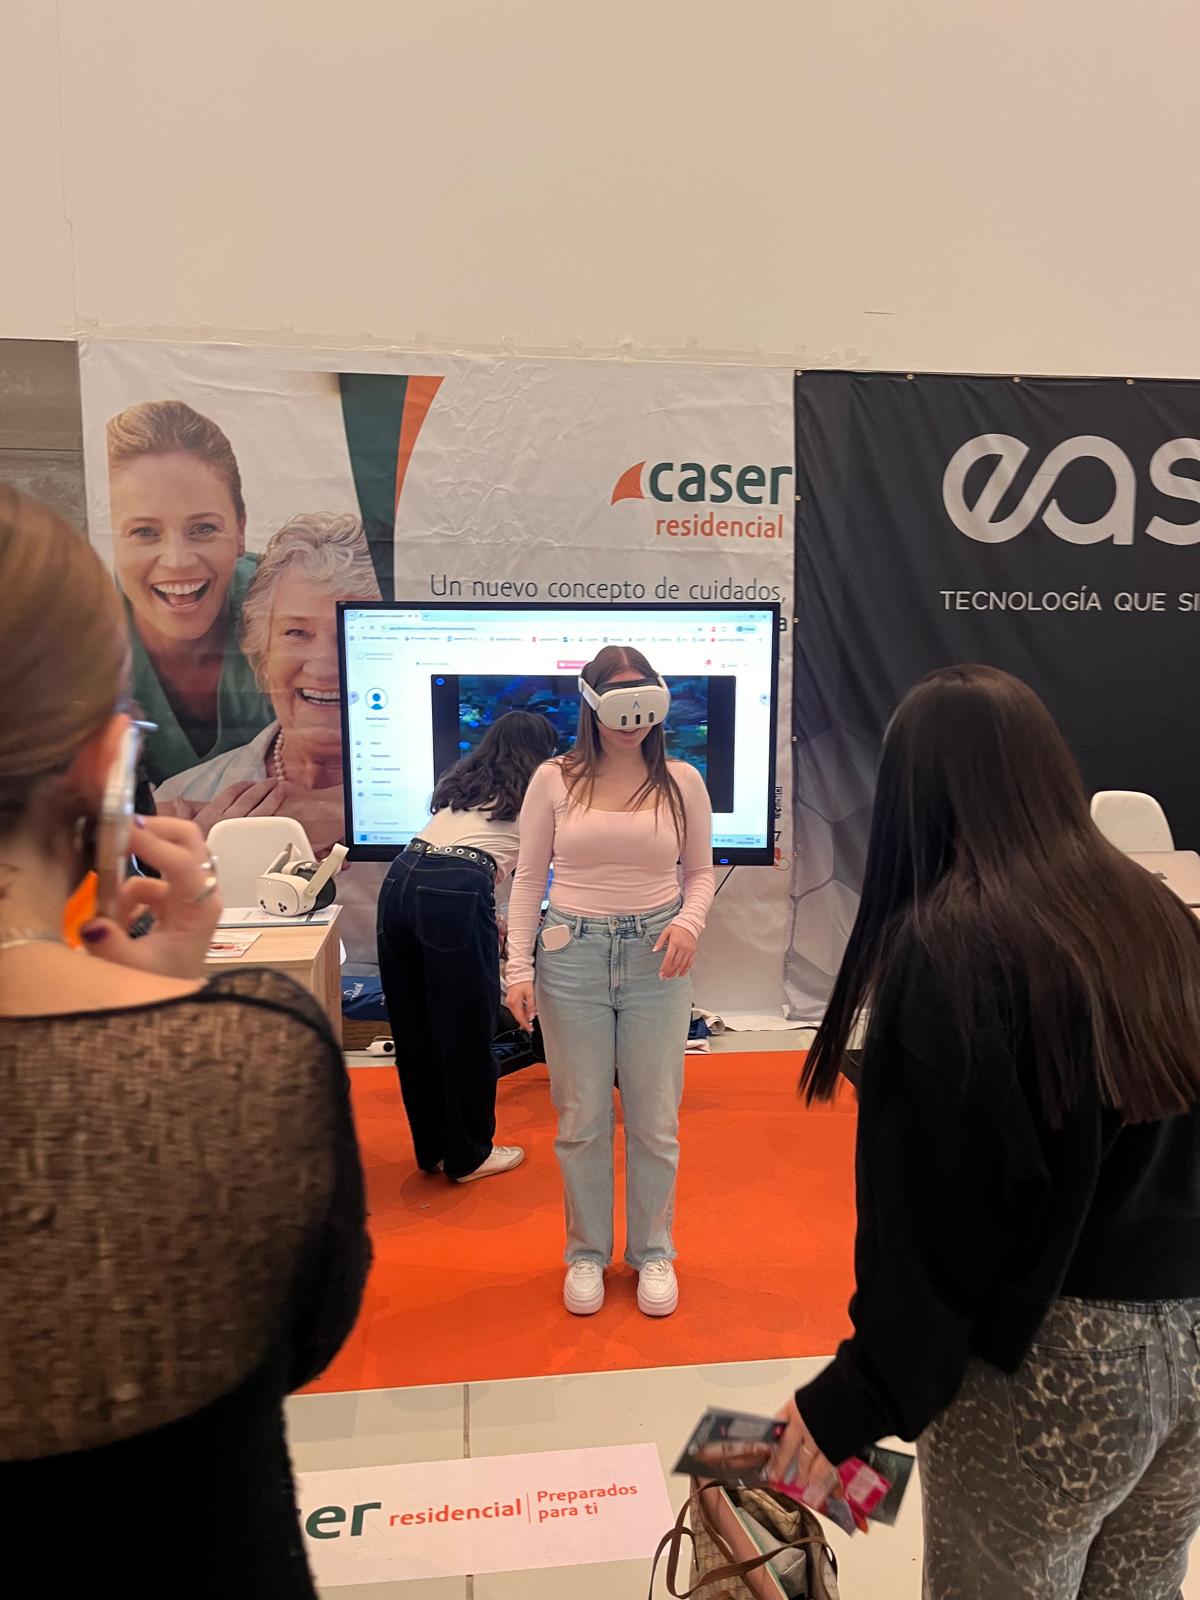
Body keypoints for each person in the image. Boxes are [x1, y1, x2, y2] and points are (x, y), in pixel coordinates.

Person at [0, 486, 368, 1597]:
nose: (322, 662)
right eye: (296, 631)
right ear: (104, 758)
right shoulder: (250, 1053)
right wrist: (173, 1016)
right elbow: (295, 1330)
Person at [769, 665, 1200, 1600]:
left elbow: (941, 1232)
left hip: (1053, 1362)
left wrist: (854, 1398)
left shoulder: (953, 946)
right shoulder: (1158, 913)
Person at [507, 647, 714, 1318]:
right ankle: (586, 1253)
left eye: (644, 704)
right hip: (571, 955)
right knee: (581, 1118)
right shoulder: (553, 779)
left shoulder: (681, 780)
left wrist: (689, 922)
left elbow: (699, 872)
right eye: (619, 704)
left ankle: (653, 1251)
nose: (633, 722)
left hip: (658, 957)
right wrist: (517, 968)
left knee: (655, 1118)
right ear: (591, 705)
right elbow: (527, 879)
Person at [155, 512, 383, 968]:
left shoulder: (461, 810)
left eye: (357, 633)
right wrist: (191, 883)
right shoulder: (185, 798)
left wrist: (355, 813)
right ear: (261, 659)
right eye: (297, 632)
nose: (325, 666)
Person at [378, 710, 557, 1182]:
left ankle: (434, 1149)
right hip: (458, 888)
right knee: (467, 1026)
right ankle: (469, 1154)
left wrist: (488, 916)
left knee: (415, 1026)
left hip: (401, 877)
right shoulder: (537, 792)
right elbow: (524, 875)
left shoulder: (464, 784)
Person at [107, 400, 269, 785]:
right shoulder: (80, 631)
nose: (178, 561)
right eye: (144, 532)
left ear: (240, 529)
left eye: (203, 528)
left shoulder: (286, 602)